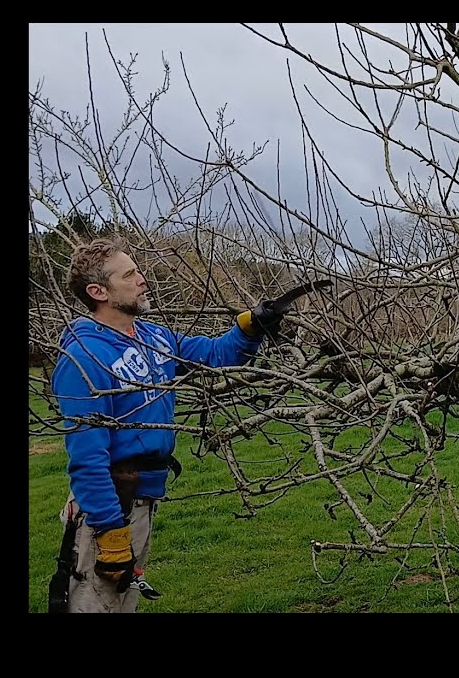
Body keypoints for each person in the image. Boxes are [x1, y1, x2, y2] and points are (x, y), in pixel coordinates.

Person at [47, 237, 288, 613]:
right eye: (130, 275)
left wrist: (250, 325)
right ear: (99, 292)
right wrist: (110, 530)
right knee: (96, 604)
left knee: (123, 602)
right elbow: (87, 456)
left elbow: (213, 355)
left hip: (143, 499)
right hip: (111, 503)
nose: (143, 279)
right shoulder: (84, 357)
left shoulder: (153, 337)